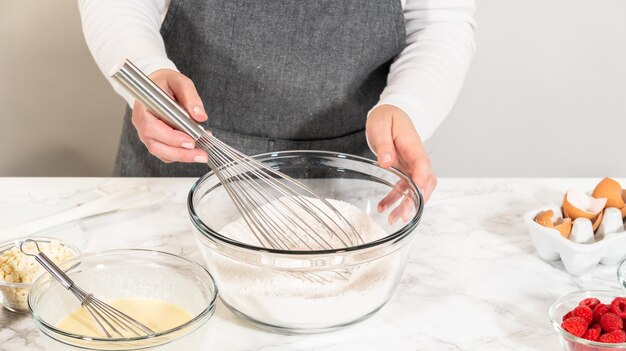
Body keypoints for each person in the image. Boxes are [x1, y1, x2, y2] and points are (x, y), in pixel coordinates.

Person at [79, 0, 475, 202]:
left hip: (351, 176)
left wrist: (408, 105)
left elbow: (439, 24)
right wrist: (147, 75)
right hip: (180, 156)